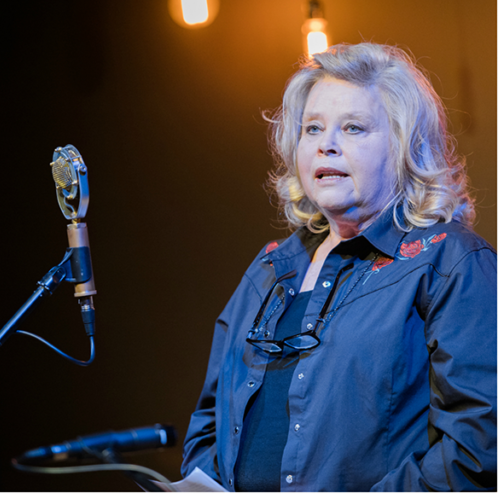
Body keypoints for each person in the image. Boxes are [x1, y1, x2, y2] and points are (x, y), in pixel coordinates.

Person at [181, 43, 496, 491]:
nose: (326, 145)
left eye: (353, 128)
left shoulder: (450, 261)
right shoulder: (270, 269)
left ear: (404, 145)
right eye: (312, 129)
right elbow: (209, 424)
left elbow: (479, 448)